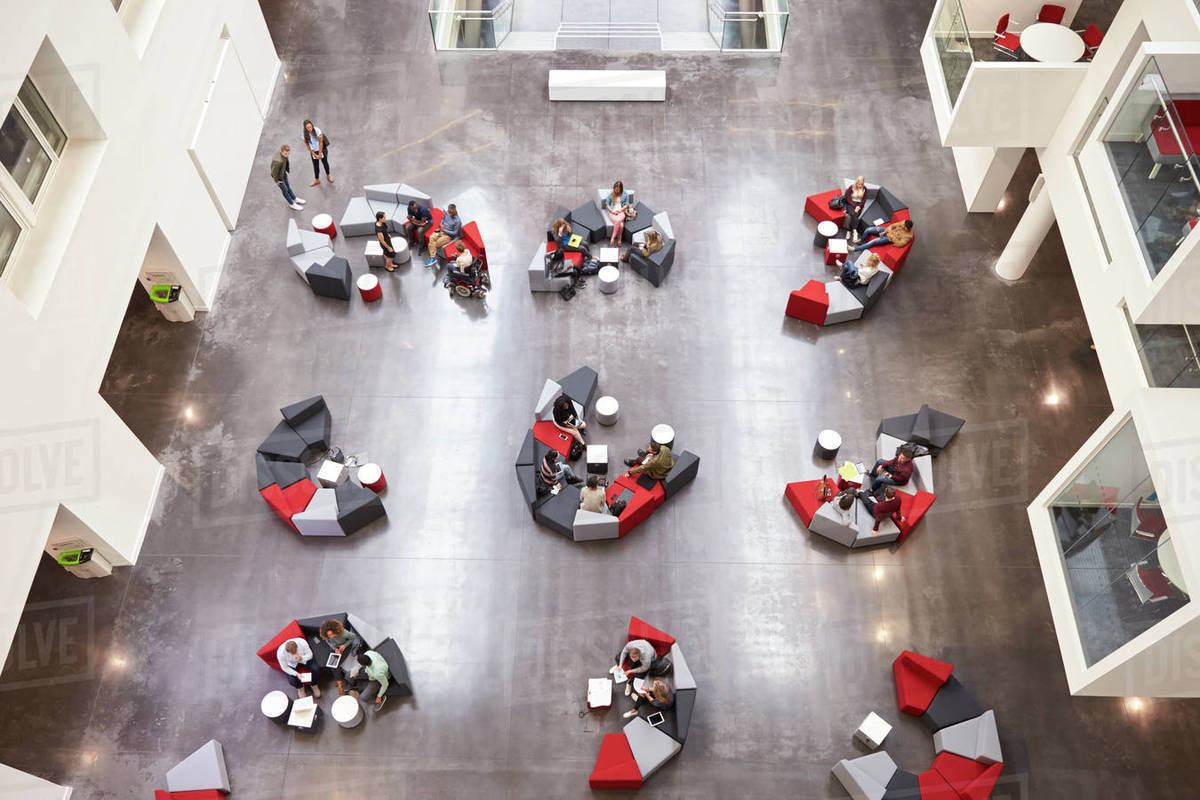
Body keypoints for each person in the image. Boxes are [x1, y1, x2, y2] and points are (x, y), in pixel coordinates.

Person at [319, 619, 362, 694]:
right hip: (336, 649)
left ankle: (339, 683)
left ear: (336, 631)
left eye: (332, 634)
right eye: (329, 635)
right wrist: (335, 649)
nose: (331, 636)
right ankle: (339, 681)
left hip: (345, 648)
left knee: (335, 664)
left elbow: (353, 637)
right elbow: (328, 642)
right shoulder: (328, 636)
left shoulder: (344, 633)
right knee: (331, 664)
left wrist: (344, 646)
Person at [425, 203, 463, 267]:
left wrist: (444, 230)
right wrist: (441, 224)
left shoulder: (458, 221)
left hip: (448, 236)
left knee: (434, 243)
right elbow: (443, 218)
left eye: (451, 212)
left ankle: (432, 258)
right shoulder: (447, 213)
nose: (449, 214)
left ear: (455, 211)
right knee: (431, 238)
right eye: (449, 212)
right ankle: (433, 258)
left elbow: (455, 233)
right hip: (441, 230)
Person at [270, 144, 304, 211]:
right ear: (281, 151)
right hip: (279, 178)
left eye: (288, 153)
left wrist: (285, 171)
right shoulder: (278, 161)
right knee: (285, 190)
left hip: (283, 173)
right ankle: (291, 204)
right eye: (286, 154)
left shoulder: (283, 154)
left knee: (288, 187)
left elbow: (285, 159)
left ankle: (294, 199)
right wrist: (276, 181)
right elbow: (273, 172)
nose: (287, 155)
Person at [302, 120, 333, 186]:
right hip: (314, 151)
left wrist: (319, 154)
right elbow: (308, 146)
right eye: (308, 128)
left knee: (325, 163)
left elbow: (321, 143)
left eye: (310, 127)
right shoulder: (304, 134)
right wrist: (314, 154)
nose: (310, 129)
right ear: (305, 128)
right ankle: (317, 180)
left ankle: (328, 176)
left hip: (321, 149)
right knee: (315, 166)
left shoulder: (317, 130)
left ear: (312, 125)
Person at [602, 180, 632, 246]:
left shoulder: (625, 194)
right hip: (613, 212)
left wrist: (621, 209)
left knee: (618, 221)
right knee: (621, 225)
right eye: (615, 189)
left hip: (621, 212)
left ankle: (612, 238)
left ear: (621, 189)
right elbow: (607, 204)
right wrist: (611, 211)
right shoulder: (611, 194)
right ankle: (619, 239)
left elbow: (627, 204)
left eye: (618, 189)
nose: (616, 191)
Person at [842, 176, 869, 243]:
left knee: (854, 215)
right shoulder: (851, 187)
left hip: (859, 205)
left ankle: (848, 230)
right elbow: (848, 198)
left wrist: (859, 206)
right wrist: (855, 206)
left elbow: (864, 200)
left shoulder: (864, 189)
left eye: (861, 184)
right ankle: (855, 231)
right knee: (854, 214)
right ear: (856, 183)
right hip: (850, 204)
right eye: (859, 184)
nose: (860, 185)